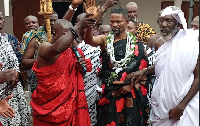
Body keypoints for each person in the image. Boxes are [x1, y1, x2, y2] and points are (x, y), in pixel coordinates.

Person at [130, 6, 199, 126]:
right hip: (162, 106)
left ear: (178, 23)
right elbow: (163, 67)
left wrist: (181, 106)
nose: (164, 24)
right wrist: (144, 71)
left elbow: (198, 77)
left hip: (186, 105)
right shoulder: (159, 43)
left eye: (169, 21)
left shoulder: (191, 43)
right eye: (161, 20)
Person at [84, 4, 150, 125]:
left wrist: (130, 85)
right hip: (110, 92)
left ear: (127, 21)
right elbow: (89, 40)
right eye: (112, 21)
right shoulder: (105, 39)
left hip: (130, 93)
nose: (114, 24)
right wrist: (91, 23)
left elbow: (144, 70)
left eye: (118, 21)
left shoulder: (137, 44)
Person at [30, 16, 96, 125]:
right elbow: (57, 48)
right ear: (55, 34)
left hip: (70, 105)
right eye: (66, 34)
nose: (70, 38)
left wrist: (80, 68)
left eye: (71, 35)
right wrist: (78, 26)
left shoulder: (73, 52)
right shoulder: (44, 47)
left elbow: (80, 75)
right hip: (48, 106)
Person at [0, 13, 30, 125]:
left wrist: (16, 73)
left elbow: (16, 59)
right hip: (1, 91)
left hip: (13, 89)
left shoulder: (6, 39)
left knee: (16, 117)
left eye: (1, 19)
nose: (0, 21)